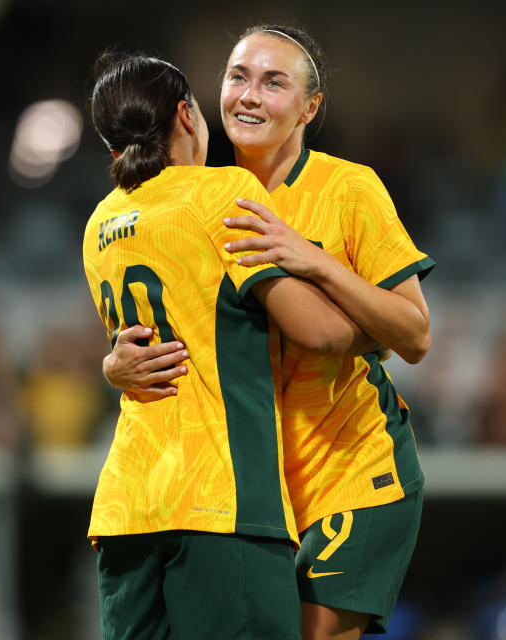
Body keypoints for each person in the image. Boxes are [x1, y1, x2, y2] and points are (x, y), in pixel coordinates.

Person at [103, 26, 434, 640]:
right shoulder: (207, 196)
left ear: (310, 108)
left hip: (353, 468)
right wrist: (115, 366)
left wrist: (315, 260)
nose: (249, 96)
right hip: (258, 486)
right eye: (238, 77)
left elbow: (414, 334)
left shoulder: (347, 188)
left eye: (273, 82)